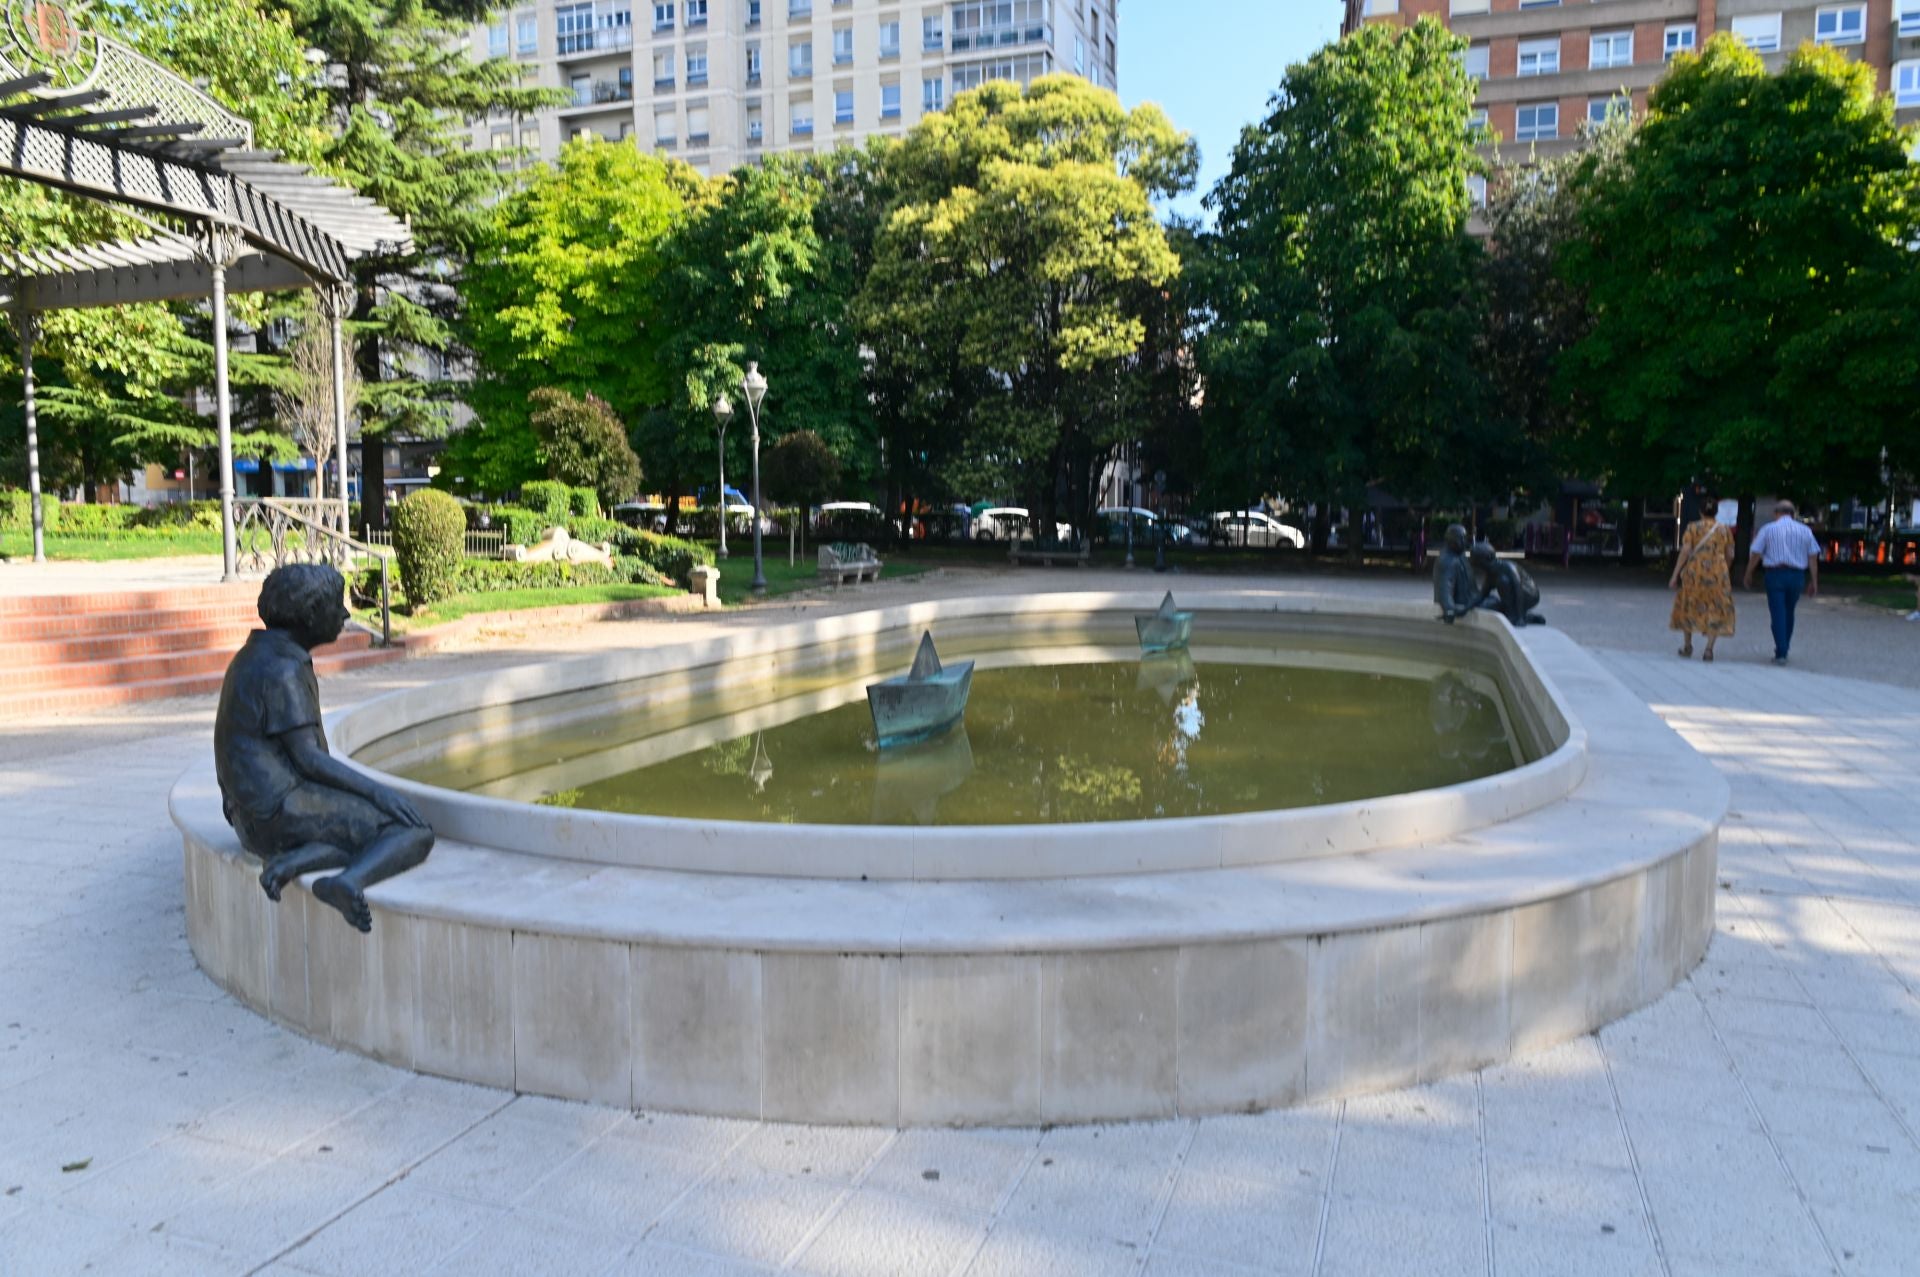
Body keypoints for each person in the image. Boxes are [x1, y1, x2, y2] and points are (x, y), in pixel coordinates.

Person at [214, 563, 434, 932]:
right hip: (274, 817)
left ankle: (300, 858)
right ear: (311, 615)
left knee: (359, 822)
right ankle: (344, 882)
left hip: (249, 820)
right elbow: (309, 759)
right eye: (337, 605)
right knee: (411, 830)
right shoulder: (281, 670)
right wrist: (380, 794)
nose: (346, 614)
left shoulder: (255, 655)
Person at [1742, 499, 1822, 665]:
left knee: (1777, 612)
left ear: (1776, 513)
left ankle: (1781, 650)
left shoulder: (1768, 529)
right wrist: (1814, 581)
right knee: (1789, 611)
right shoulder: (1805, 531)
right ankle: (1784, 646)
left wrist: (1748, 573)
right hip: (1796, 575)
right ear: (1793, 514)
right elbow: (1813, 557)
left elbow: (1756, 552)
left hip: (1775, 573)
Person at [1668, 492, 1736, 662]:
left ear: (1700, 512)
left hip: (1695, 571)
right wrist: (1724, 567)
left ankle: (1687, 645)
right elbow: (1731, 553)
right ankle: (1709, 649)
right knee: (1715, 606)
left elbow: (1685, 550)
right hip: (1717, 572)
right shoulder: (1724, 529)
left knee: (1690, 603)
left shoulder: (1692, 527)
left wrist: (1675, 574)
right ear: (1716, 512)